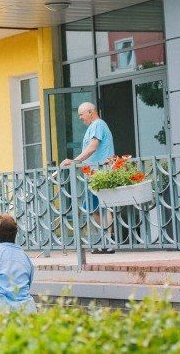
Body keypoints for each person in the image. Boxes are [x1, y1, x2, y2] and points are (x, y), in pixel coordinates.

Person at [61, 102, 116, 253]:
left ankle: (108, 242)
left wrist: (74, 161)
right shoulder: (93, 126)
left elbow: (92, 147)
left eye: (81, 114)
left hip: (101, 173)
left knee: (104, 206)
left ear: (91, 112)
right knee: (94, 208)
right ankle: (103, 241)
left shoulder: (98, 124)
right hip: (93, 174)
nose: (80, 118)